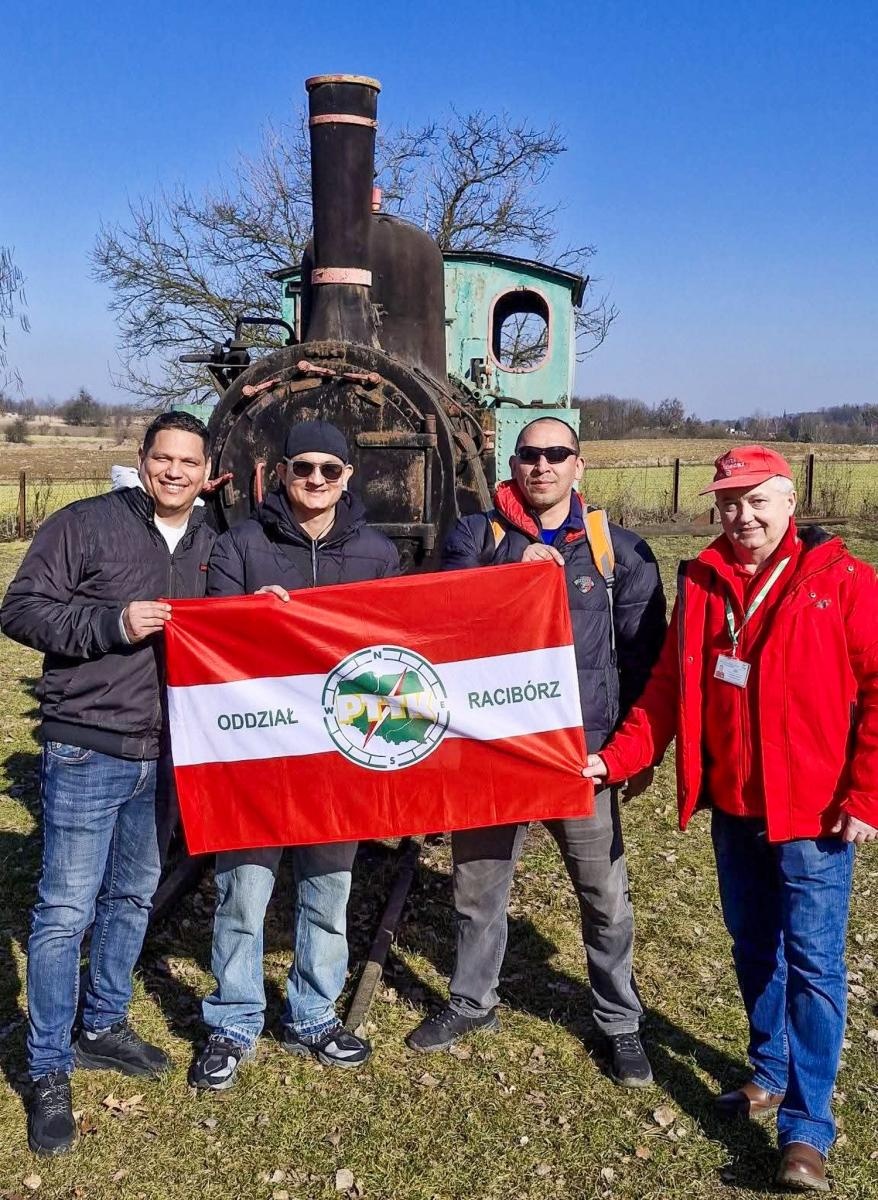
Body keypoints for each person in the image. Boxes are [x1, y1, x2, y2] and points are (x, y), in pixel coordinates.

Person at [583, 445, 878, 1191]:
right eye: (728, 503)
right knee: (753, 949)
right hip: (735, 809)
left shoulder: (842, 582)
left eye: (756, 501)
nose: (740, 516)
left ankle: (807, 1129)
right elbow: (667, 689)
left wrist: (866, 796)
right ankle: (768, 1070)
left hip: (813, 816)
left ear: (789, 504)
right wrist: (616, 760)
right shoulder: (705, 582)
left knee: (813, 963)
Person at [405, 417, 666, 1087]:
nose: (542, 465)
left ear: (579, 465)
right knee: (477, 889)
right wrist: (507, 569)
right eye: (530, 455)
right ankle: (472, 1001)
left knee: (604, 897)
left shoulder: (619, 552)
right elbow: (439, 613)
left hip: (581, 756)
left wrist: (631, 755)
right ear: (511, 464)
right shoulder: (475, 535)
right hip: (491, 752)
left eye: (557, 454)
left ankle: (620, 1022)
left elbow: (645, 663)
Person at [1, 411, 215, 1156]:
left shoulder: (213, 543)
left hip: (166, 753)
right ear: (143, 459)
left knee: (130, 896)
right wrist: (113, 623)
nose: (175, 472)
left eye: (189, 461)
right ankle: (49, 1066)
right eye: (164, 459)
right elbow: (21, 611)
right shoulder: (85, 525)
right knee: (64, 910)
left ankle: (103, 1022)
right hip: (88, 746)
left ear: (207, 469)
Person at [189, 419, 399, 1091]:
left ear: (347, 478)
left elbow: (397, 640)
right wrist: (249, 615)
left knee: (327, 891)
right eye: (302, 468)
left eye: (328, 470)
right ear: (281, 474)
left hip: (338, 751)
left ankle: (312, 1013)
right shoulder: (240, 544)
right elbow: (208, 631)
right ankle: (234, 1017)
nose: (314, 480)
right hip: (257, 748)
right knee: (244, 893)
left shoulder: (376, 552)